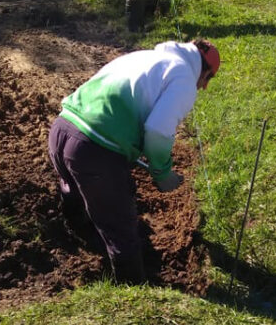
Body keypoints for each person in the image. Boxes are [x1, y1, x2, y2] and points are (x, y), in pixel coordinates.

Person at [48, 39, 221, 283]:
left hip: (61, 130)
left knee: (78, 195)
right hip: (94, 149)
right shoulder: (183, 79)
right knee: (121, 230)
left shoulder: (143, 56)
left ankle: (86, 249)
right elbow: (158, 132)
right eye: (209, 79)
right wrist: (162, 172)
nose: (204, 88)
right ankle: (133, 291)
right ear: (204, 71)